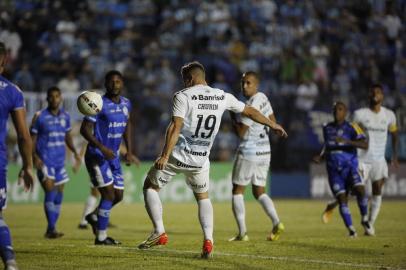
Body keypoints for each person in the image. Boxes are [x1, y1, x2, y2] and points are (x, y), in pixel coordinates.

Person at [137, 61, 287, 258]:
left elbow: (176, 126)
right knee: (203, 197)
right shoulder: (221, 96)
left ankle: (159, 231)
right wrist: (272, 124)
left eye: (184, 80)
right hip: (201, 160)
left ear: (190, 79)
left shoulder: (182, 96)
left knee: (150, 187)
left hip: (179, 155)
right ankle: (208, 241)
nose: (183, 83)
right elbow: (250, 111)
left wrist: (164, 155)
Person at [322, 85, 398, 235]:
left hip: (379, 159)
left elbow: (395, 134)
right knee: (356, 191)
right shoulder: (360, 115)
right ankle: (336, 204)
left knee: (377, 190)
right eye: (372, 92)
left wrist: (394, 154)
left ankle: (369, 223)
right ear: (368, 95)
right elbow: (349, 131)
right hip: (361, 159)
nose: (375, 94)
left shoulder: (390, 115)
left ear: (382, 96)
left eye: (378, 92)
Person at [80, 70, 137, 245]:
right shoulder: (98, 103)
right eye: (111, 82)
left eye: (118, 81)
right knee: (109, 195)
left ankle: (94, 215)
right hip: (97, 156)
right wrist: (101, 147)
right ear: (105, 84)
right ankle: (101, 237)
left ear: (122, 84)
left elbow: (127, 125)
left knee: (118, 196)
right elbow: (84, 129)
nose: (115, 85)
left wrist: (128, 150)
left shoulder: (127, 104)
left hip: (113, 157)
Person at [228, 71, 284, 242]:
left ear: (256, 85)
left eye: (248, 83)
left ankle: (242, 233)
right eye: (243, 83)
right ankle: (277, 222)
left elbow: (241, 134)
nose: (244, 86)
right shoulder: (263, 98)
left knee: (237, 191)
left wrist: (231, 115)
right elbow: (272, 121)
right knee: (259, 191)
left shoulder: (250, 106)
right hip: (264, 152)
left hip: (249, 151)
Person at [314, 101, 373, 237]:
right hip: (333, 170)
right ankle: (351, 230)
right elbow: (326, 146)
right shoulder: (326, 127)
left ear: (345, 112)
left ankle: (365, 219)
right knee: (342, 199)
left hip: (350, 167)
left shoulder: (353, 127)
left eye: (340, 109)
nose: (337, 112)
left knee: (360, 190)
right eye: (335, 109)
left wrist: (347, 142)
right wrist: (321, 156)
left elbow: (365, 144)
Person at [0, 41, 34, 270]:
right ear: (4, 61)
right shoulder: (12, 91)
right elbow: (23, 135)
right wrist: (27, 166)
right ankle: (10, 261)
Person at [30, 86, 81, 238]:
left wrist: (75, 152)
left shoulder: (65, 116)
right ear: (47, 99)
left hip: (60, 161)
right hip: (45, 161)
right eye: (51, 96)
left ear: (61, 99)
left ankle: (51, 228)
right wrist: (34, 157)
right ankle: (51, 228)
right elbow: (31, 140)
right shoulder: (39, 116)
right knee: (50, 191)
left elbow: (68, 136)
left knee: (59, 194)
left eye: (57, 96)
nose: (54, 99)